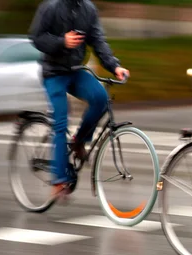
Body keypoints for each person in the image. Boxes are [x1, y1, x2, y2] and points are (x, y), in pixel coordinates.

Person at [29, 0, 130, 200]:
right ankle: (58, 180)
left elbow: (98, 40)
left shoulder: (88, 9)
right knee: (61, 122)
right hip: (54, 74)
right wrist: (61, 42)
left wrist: (114, 66)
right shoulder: (51, 6)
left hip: (75, 72)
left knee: (101, 98)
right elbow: (36, 37)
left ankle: (79, 141)